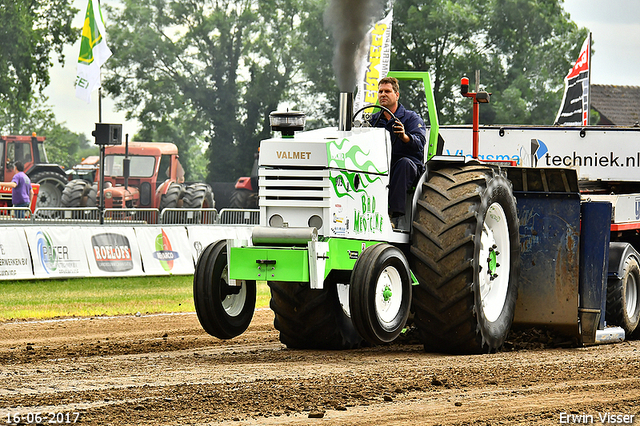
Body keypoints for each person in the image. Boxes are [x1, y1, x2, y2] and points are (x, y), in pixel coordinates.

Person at [368, 77, 427, 226]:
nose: (383, 94)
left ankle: (393, 216)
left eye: (387, 91)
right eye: (380, 91)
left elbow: (420, 143)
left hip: (409, 167)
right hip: (381, 166)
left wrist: (404, 137)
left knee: (404, 164)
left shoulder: (411, 118)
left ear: (397, 95)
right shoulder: (372, 121)